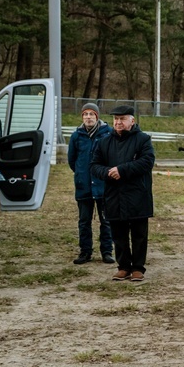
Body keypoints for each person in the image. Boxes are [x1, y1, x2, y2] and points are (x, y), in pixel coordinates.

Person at [90, 105, 155, 282]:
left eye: (122, 119)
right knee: (118, 233)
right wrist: (107, 172)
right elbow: (94, 165)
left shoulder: (142, 140)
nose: (118, 122)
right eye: (116, 119)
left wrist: (122, 170)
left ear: (131, 121)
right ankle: (123, 266)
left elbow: (147, 162)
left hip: (137, 194)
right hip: (114, 194)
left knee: (139, 234)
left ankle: (138, 268)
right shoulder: (104, 142)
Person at [68, 103, 114, 265]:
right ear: (82, 117)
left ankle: (107, 251)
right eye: (85, 114)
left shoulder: (107, 134)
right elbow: (71, 160)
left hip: (103, 185)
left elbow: (112, 157)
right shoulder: (76, 136)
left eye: (91, 114)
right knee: (84, 221)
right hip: (84, 186)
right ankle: (85, 251)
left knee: (106, 220)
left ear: (97, 116)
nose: (88, 117)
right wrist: (81, 174)